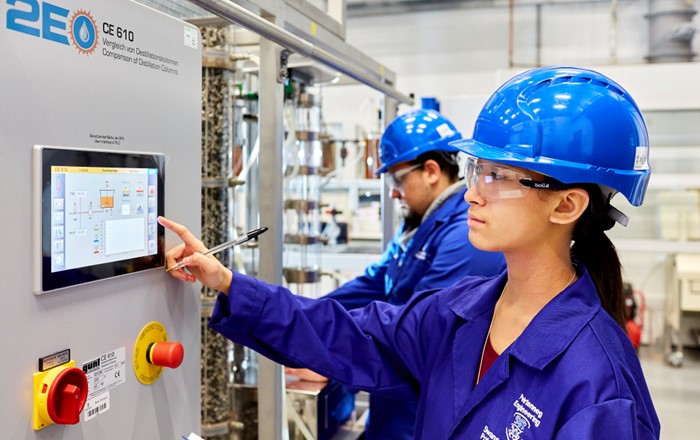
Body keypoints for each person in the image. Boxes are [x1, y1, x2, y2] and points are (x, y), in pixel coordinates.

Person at [160, 66, 660, 438]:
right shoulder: (459, 313)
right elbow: (347, 334)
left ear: (566, 204)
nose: (472, 193)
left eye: (497, 177)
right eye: (475, 171)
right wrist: (227, 283)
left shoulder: (600, 386)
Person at [288, 109, 506, 439]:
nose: (392, 191)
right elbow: (374, 282)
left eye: (396, 178)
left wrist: (323, 354)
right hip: (392, 408)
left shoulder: (463, 236)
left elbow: (415, 332)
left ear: (431, 171)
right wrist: (297, 313)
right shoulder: (419, 226)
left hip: (418, 412)